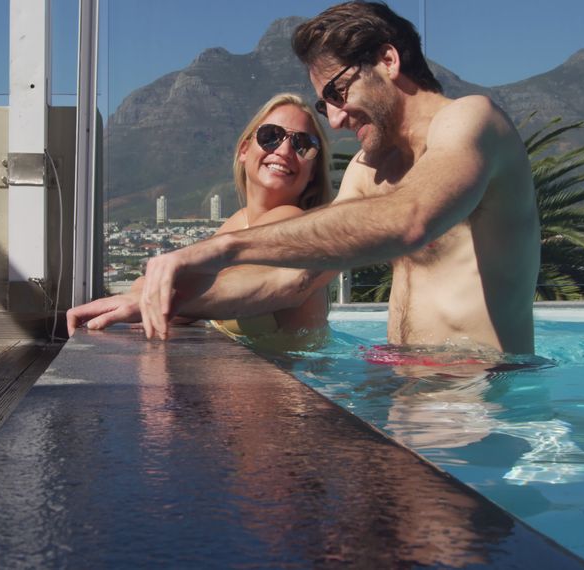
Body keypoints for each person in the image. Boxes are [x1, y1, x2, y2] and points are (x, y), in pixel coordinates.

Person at [132, 0, 540, 355]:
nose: (338, 120)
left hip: (483, 391)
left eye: (338, 94)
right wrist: (160, 301)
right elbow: (293, 280)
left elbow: (410, 218)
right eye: (325, 104)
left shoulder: (471, 118)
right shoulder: (370, 169)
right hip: (403, 388)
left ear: (388, 61)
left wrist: (220, 250)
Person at [67, 93, 334, 349]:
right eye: (271, 136)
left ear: (312, 171)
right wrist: (148, 295)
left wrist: (156, 298)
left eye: (303, 144)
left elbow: (229, 285)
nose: (285, 149)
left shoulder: (290, 220)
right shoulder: (238, 223)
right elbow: (163, 285)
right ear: (244, 150)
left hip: (299, 383)